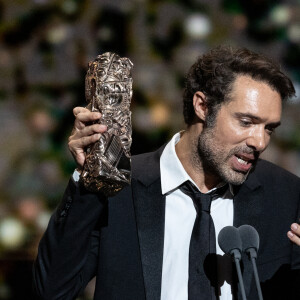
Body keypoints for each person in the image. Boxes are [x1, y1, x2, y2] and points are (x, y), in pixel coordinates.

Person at [33, 46, 300, 300]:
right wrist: (86, 176)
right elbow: (52, 291)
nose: (260, 142)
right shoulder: (119, 187)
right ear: (202, 106)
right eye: (246, 122)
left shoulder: (285, 195)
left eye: (269, 128)